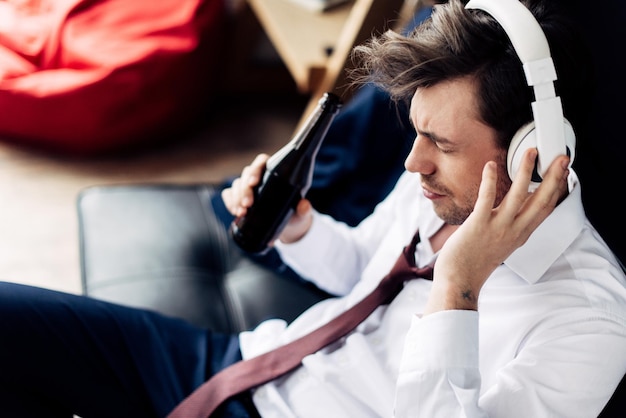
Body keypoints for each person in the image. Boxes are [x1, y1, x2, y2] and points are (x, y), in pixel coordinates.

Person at [0, 1, 624, 417]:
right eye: (416, 132)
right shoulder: (443, 188)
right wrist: (299, 227)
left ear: (535, 154)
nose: (413, 163)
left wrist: (458, 288)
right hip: (236, 365)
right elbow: (364, 274)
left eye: (442, 144)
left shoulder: (589, 324)